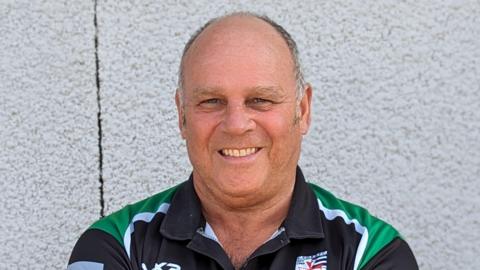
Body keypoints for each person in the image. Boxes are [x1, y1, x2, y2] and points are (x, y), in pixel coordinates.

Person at [68, 12, 418, 270]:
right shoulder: (116, 245)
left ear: (303, 109)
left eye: (260, 100)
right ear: (182, 114)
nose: (236, 125)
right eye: (211, 101)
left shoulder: (370, 250)